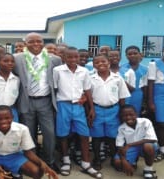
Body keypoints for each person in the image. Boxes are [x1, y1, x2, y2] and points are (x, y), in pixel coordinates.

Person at [0, 105, 58, 179]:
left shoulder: (22, 129)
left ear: (12, 117)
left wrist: (43, 164)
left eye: (7, 118)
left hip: (15, 156)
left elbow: (28, 152)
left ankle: (15, 171)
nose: (3, 122)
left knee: (38, 171)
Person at [13, 32, 62, 170]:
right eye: (31, 41)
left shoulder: (55, 59)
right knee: (28, 133)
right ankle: (33, 160)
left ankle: (50, 160)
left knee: (49, 133)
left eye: (39, 41)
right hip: (26, 100)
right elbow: (5, 70)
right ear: (25, 43)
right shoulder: (17, 58)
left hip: (46, 101)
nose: (36, 44)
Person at [53, 47, 102, 178]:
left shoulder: (84, 71)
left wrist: (91, 108)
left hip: (78, 106)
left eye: (76, 57)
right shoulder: (57, 70)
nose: (73, 59)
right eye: (70, 57)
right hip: (63, 105)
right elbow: (54, 89)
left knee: (84, 134)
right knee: (63, 135)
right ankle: (66, 160)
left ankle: (86, 163)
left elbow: (87, 90)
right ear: (64, 57)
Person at [89, 54, 130, 171]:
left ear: (109, 63)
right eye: (97, 62)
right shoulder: (91, 79)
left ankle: (114, 158)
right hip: (97, 110)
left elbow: (122, 97)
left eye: (103, 61)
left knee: (112, 137)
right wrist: (90, 111)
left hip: (114, 110)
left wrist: (122, 113)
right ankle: (96, 158)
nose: (101, 64)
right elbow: (89, 97)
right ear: (93, 65)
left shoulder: (117, 78)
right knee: (96, 137)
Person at [113, 105, 158, 179]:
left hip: (146, 146)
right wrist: (124, 161)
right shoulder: (121, 128)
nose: (128, 117)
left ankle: (148, 169)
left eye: (131, 115)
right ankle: (133, 162)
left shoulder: (145, 122)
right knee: (118, 163)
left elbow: (152, 139)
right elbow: (119, 146)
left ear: (136, 114)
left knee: (147, 146)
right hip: (132, 148)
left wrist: (130, 144)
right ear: (121, 117)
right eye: (125, 116)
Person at [120, 46, 148, 115]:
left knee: (135, 114)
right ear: (126, 56)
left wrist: (145, 101)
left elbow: (145, 86)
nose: (132, 55)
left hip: (138, 95)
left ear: (139, 54)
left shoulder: (145, 69)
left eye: (135, 53)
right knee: (123, 114)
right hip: (124, 95)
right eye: (129, 54)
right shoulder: (121, 68)